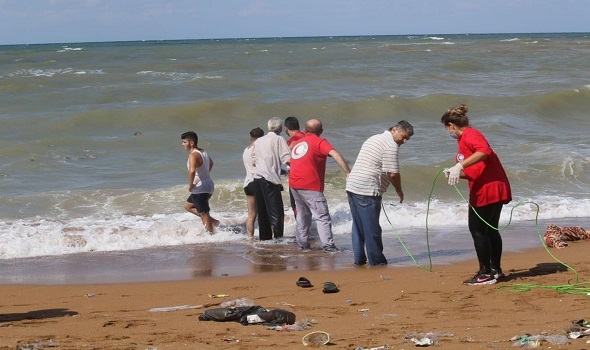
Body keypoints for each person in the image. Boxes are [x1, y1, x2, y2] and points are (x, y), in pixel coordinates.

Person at [441, 104, 512, 286]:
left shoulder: (470, 134)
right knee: (490, 230)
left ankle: (485, 273)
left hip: (487, 190)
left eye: (447, 128)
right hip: (493, 186)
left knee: (478, 231)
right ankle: (495, 270)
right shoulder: (465, 140)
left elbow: (484, 151)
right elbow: (478, 167)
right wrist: (455, 171)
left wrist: (459, 166)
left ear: (451, 125)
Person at [345, 121, 414, 266]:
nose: (405, 141)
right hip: (367, 190)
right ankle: (376, 261)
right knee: (372, 229)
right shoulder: (391, 145)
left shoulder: (374, 138)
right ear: (394, 129)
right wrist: (399, 191)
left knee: (358, 227)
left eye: (407, 138)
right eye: (403, 136)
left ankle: (359, 260)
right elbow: (393, 174)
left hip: (352, 186)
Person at [289, 119, 351, 252]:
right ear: (321, 131)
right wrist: (348, 172)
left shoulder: (299, 143)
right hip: (310, 185)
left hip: (294, 183)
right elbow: (335, 154)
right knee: (322, 216)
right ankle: (329, 246)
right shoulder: (320, 141)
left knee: (303, 214)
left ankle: (302, 245)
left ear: (305, 131)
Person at [253, 117, 291, 240]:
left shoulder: (258, 141)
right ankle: (278, 239)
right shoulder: (279, 139)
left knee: (263, 212)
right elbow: (287, 159)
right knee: (277, 212)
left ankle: (265, 239)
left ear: (268, 127)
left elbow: (256, 160)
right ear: (280, 129)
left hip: (257, 179)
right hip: (270, 179)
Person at [181, 131, 219, 234]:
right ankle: (213, 221)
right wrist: (205, 175)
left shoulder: (193, 155)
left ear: (191, 143)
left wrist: (191, 184)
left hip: (201, 187)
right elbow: (211, 163)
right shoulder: (203, 152)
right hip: (207, 185)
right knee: (188, 206)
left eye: (184, 142)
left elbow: (192, 171)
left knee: (204, 212)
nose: (182, 144)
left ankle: (210, 235)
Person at [242, 127, 264, 240]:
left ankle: (250, 238)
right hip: (257, 181)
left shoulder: (246, 149)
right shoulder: (257, 149)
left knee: (251, 214)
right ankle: (265, 236)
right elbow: (257, 164)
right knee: (263, 212)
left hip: (247, 183)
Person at [284, 116, 305, 217]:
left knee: (296, 205)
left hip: (296, 177)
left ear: (286, 128)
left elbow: (286, 158)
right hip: (308, 175)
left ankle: (302, 230)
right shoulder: (305, 136)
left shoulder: (293, 140)